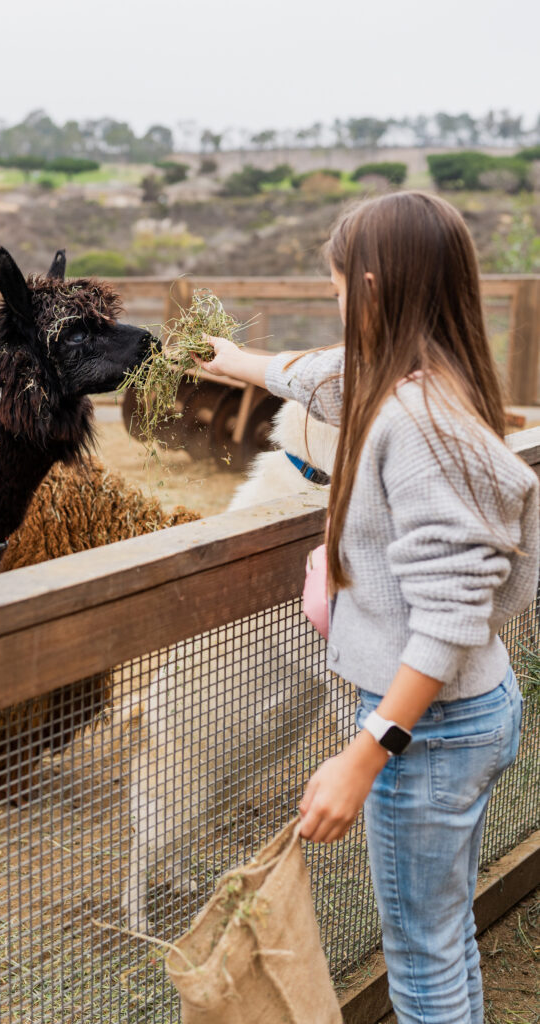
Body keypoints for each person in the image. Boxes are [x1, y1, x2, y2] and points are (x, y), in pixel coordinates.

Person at [197, 191, 539, 1024]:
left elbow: (452, 613)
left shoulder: (418, 423)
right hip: (462, 713)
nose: (335, 304)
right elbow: (322, 373)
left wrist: (366, 751)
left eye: (339, 289)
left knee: (419, 968)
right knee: (442, 934)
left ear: (374, 290)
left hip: (427, 729)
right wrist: (238, 362)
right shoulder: (420, 381)